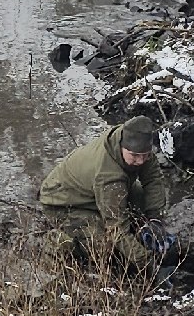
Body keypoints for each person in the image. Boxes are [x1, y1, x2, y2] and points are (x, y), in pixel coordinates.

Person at [38, 113, 172, 264]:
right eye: (134, 155)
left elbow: (153, 180)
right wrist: (146, 261)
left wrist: (155, 219)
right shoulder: (109, 176)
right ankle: (57, 241)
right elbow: (117, 229)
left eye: (145, 155)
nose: (140, 161)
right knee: (105, 245)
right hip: (63, 202)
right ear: (122, 147)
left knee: (142, 202)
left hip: (93, 189)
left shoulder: (135, 139)